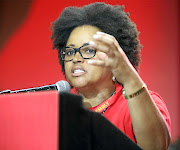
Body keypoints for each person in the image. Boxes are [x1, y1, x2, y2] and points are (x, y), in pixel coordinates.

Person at [51, 2, 171, 150]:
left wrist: (129, 77)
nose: (76, 58)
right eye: (70, 52)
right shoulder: (58, 108)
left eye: (88, 50)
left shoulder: (139, 102)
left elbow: (156, 147)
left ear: (116, 56)